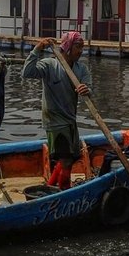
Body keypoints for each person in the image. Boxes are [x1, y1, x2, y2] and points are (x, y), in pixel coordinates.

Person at [21, 31, 92, 190]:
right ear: (67, 47)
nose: (81, 51)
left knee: (71, 158)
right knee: (66, 161)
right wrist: (38, 49)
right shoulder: (49, 65)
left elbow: (89, 88)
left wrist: (86, 90)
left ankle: (49, 186)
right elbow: (27, 72)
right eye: (77, 47)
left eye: (82, 47)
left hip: (70, 120)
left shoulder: (81, 69)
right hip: (54, 121)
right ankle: (63, 193)